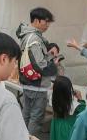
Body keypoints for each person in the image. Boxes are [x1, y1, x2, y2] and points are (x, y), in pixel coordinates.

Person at [16, 7, 58, 137]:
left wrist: (50, 52)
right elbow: (40, 65)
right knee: (36, 116)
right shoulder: (34, 39)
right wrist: (53, 66)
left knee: (27, 112)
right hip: (36, 84)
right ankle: (29, 137)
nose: (48, 25)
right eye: (46, 22)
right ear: (36, 21)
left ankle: (20, 136)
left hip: (27, 80)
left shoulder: (26, 34)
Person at [49, 75, 86, 140]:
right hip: (67, 128)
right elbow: (83, 109)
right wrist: (80, 98)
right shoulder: (75, 105)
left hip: (56, 124)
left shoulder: (52, 98)